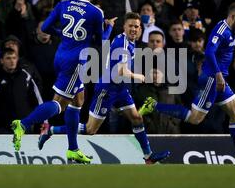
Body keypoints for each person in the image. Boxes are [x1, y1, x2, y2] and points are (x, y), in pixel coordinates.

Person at [139, 3, 235, 164]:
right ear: (232, 16)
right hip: (212, 79)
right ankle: (154, 105)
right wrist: (218, 75)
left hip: (220, 80)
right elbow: (209, 51)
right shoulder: (221, 30)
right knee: (194, 118)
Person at [38, 12, 170, 164]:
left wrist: (108, 28)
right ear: (124, 27)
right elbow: (122, 71)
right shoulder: (123, 43)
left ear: (140, 29)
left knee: (136, 118)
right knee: (90, 130)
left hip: (120, 89)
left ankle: (148, 156)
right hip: (106, 89)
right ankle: (51, 130)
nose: (134, 29)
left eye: (137, 26)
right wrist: (138, 76)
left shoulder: (129, 41)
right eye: (131, 26)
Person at [10, 0, 113, 164]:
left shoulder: (63, 4)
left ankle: (73, 149)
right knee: (59, 104)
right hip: (76, 62)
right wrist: (108, 29)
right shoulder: (95, 12)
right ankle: (23, 124)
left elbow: (46, 28)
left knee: (78, 100)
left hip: (60, 55)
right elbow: (100, 43)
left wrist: (64, 34)